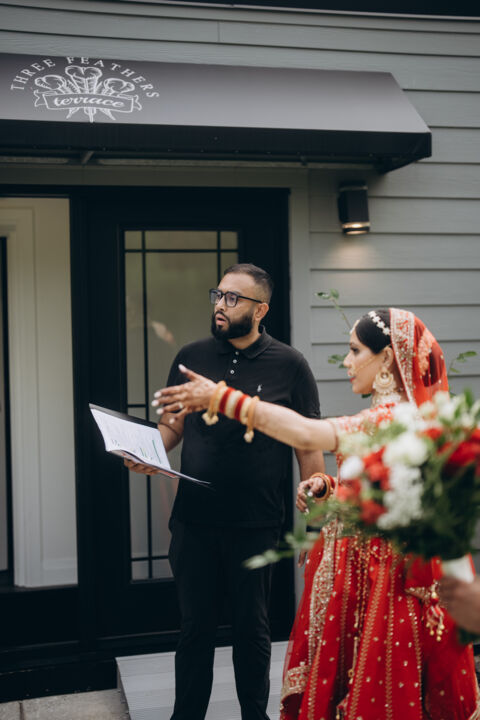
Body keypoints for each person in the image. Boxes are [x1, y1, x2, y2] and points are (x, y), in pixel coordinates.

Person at [156, 307, 480, 720]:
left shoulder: (388, 420)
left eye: (355, 351)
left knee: (378, 689)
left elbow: (306, 433)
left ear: (386, 359)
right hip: (361, 571)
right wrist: (330, 486)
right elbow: (384, 489)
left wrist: (224, 399)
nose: (346, 361)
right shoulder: (406, 420)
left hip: (383, 581)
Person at [126, 263, 324, 720]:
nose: (220, 304)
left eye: (233, 298)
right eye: (218, 295)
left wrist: (313, 524)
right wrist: (147, 452)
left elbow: (308, 445)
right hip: (194, 520)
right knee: (194, 629)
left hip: (256, 522)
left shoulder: (290, 365)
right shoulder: (191, 356)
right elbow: (172, 426)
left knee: (251, 631)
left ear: (261, 310)